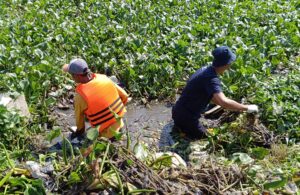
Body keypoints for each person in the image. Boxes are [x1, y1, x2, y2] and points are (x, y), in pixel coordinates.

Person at [172, 46, 258, 139]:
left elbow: (216, 99)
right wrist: (246, 108)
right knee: (209, 138)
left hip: (177, 112)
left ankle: (181, 128)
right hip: (185, 119)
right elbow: (223, 102)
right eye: (230, 63)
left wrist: (235, 107)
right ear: (226, 64)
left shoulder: (205, 69)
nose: (230, 67)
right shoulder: (211, 78)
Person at [62, 58, 129, 139]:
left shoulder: (80, 96)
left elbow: (80, 127)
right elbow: (125, 96)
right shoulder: (104, 78)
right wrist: (115, 111)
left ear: (76, 76)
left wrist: (77, 134)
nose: (72, 77)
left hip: (105, 136)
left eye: (72, 75)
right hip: (120, 126)